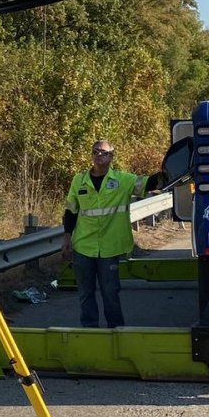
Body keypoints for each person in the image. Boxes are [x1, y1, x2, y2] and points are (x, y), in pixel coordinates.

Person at [60, 138, 163, 329]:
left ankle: (116, 331)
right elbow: (71, 211)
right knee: (85, 293)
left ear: (111, 157)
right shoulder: (79, 180)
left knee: (110, 293)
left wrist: (170, 172)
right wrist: (67, 236)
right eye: (96, 152)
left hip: (110, 247)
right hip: (84, 245)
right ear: (91, 155)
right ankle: (89, 331)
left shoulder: (122, 180)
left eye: (104, 153)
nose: (99, 155)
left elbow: (149, 184)